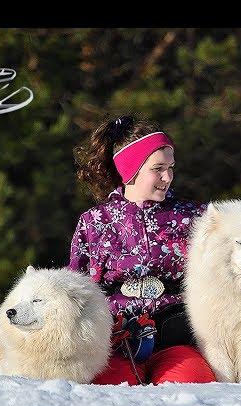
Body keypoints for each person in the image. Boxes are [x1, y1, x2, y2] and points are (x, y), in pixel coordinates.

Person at [68, 114, 216, 386]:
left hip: (177, 339)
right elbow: (76, 290)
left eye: (171, 167)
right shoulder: (94, 222)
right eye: (157, 168)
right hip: (114, 343)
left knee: (192, 387)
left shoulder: (196, 217)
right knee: (108, 392)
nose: (167, 177)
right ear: (130, 169)